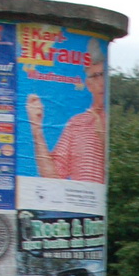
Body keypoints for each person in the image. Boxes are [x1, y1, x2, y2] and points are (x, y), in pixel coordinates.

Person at [25, 37, 107, 183]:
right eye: (95, 76)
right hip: (80, 202)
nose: (101, 82)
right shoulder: (77, 124)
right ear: (88, 84)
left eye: (103, 74)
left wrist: (102, 136)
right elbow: (53, 177)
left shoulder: (111, 120)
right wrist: (36, 128)